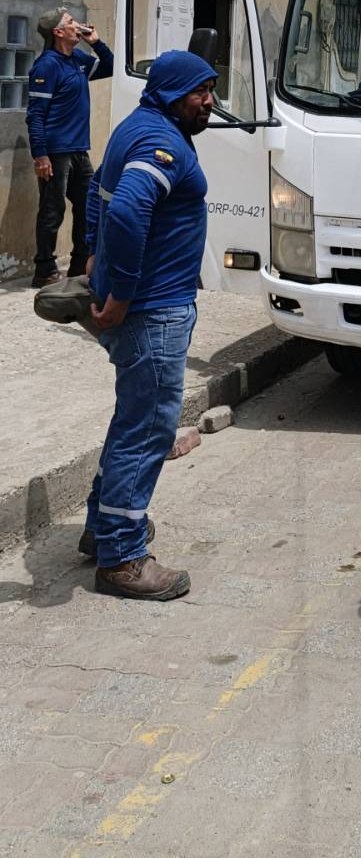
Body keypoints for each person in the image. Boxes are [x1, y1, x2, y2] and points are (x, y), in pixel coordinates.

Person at [80, 49, 217, 601]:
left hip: (146, 307)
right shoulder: (160, 142)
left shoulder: (137, 127)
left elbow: (97, 189)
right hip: (152, 311)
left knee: (133, 420)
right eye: (198, 92)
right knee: (146, 431)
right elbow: (127, 209)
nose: (208, 101)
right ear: (170, 94)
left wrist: (93, 254)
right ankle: (122, 559)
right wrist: (122, 291)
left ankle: (102, 527)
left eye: (210, 89)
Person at [26, 8, 114, 287]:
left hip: (78, 149)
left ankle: (79, 264)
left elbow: (111, 66)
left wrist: (96, 43)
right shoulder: (46, 66)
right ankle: (44, 270)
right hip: (55, 151)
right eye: (71, 22)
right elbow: (35, 115)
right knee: (52, 210)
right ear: (58, 32)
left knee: (89, 205)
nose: (78, 25)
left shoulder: (77, 59)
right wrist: (40, 154)